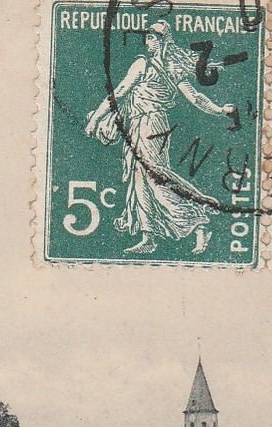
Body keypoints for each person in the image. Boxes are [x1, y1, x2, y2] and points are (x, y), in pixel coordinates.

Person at [84, 21, 240, 255]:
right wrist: (218, 110)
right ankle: (149, 236)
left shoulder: (144, 64)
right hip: (145, 125)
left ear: (160, 41)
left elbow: (120, 92)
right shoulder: (169, 67)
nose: (146, 40)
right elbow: (195, 98)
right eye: (147, 36)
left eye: (151, 37)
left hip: (149, 125)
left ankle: (198, 220)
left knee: (155, 178)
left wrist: (94, 120)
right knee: (141, 179)